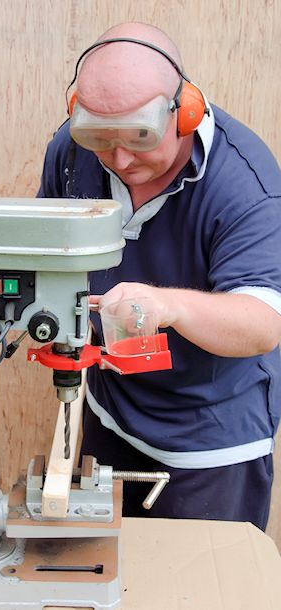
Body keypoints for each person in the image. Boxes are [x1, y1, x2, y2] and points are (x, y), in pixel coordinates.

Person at [37, 22, 281, 530]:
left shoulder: (246, 185)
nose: (120, 159)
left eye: (139, 139)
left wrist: (168, 306)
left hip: (208, 436)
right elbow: (48, 248)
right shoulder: (74, 150)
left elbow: (262, 323)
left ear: (185, 112)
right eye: (101, 138)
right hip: (110, 410)